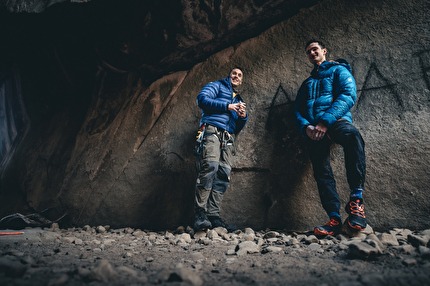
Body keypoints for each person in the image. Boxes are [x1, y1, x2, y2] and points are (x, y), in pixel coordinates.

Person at [294, 40, 367, 236]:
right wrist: (306, 127)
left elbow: (348, 95)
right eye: (308, 51)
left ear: (324, 51)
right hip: (313, 129)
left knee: (353, 137)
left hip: (335, 120)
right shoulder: (307, 83)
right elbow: (297, 109)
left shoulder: (339, 71)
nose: (312, 53)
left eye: (315, 49)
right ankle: (334, 218)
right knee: (321, 171)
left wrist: (325, 121)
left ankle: (356, 201)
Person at [193, 67, 248, 231]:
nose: (236, 76)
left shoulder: (239, 98)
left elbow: (238, 126)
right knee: (210, 166)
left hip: (228, 138)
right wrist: (228, 106)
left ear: (241, 80)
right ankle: (200, 214)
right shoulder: (216, 85)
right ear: (229, 76)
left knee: (224, 173)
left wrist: (243, 116)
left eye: (239, 75)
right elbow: (201, 99)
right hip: (211, 131)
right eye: (234, 73)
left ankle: (213, 215)